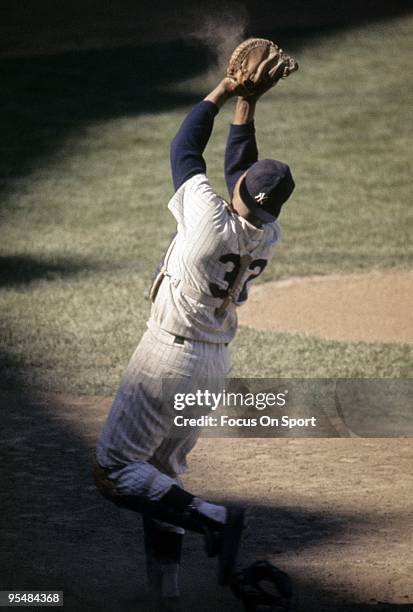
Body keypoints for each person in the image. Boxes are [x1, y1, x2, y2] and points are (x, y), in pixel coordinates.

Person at [94, 74, 295, 609]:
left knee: (115, 470)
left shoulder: (207, 216)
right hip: (211, 368)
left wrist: (225, 91)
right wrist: (247, 109)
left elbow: (184, 148)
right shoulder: (267, 235)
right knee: (161, 481)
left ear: (239, 194)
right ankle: (166, 595)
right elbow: (242, 177)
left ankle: (217, 518)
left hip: (167, 358)